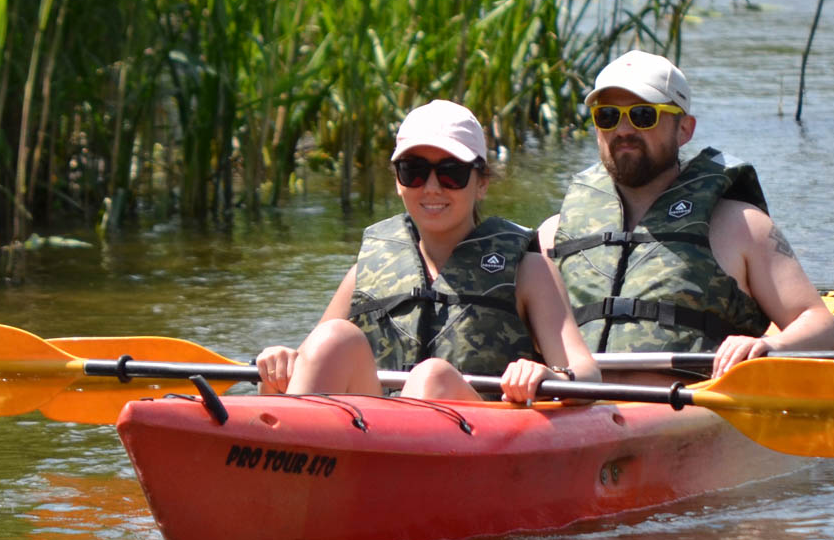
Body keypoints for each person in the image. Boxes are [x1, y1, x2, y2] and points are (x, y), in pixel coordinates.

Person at [536, 50, 834, 380]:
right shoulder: (553, 234)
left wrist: (769, 347)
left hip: (690, 407)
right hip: (573, 407)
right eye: (607, 116)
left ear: (684, 129)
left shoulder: (741, 226)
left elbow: (821, 327)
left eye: (643, 115)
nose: (624, 129)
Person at [255, 100, 600, 404]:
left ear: (481, 184)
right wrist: (282, 364)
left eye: (451, 174)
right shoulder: (366, 271)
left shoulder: (530, 271)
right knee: (332, 339)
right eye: (414, 172)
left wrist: (550, 377)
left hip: (480, 442)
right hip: (375, 441)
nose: (432, 188)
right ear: (398, 181)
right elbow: (311, 360)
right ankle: (284, 466)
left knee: (431, 377)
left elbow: (586, 374)